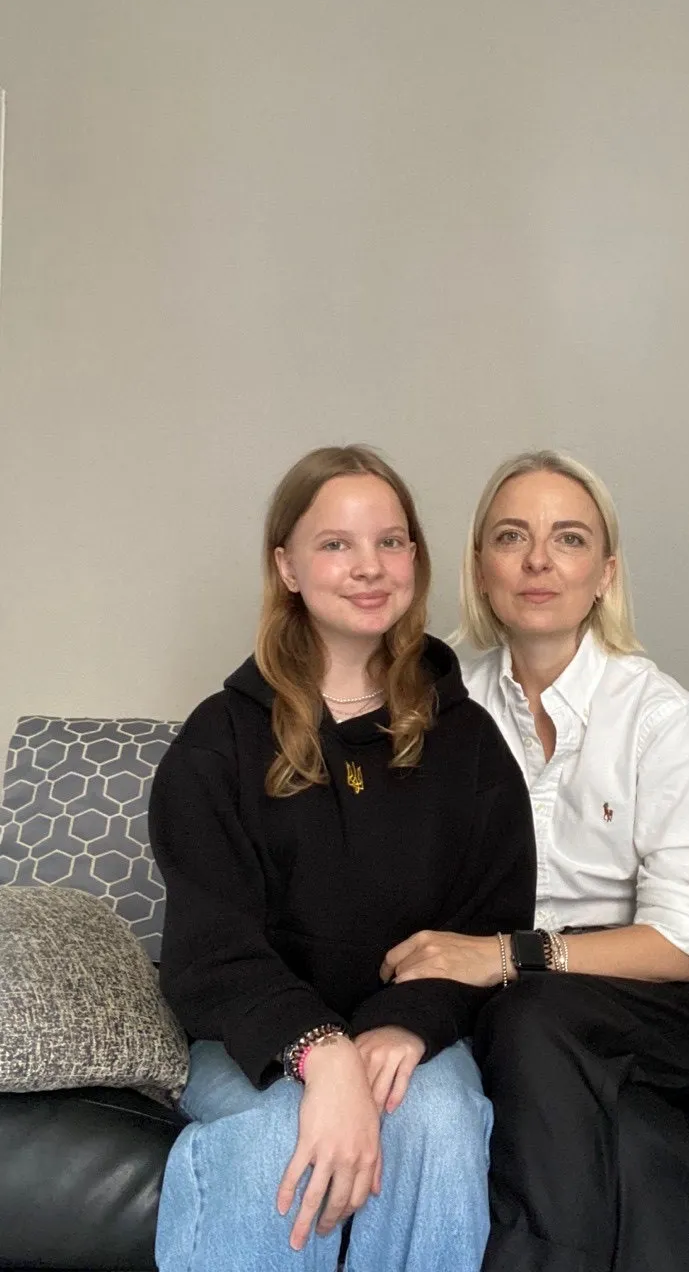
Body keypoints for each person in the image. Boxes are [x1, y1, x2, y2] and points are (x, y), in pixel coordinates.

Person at [149, 445, 536, 1272]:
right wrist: (319, 1052)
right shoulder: (219, 740)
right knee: (282, 1140)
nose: (369, 568)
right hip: (257, 1041)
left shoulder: (464, 737)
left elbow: (489, 922)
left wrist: (409, 1022)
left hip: (413, 1035)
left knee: (435, 1121)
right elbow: (209, 951)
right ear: (286, 565)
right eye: (337, 545)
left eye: (391, 542)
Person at [379, 450, 689, 1272]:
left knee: (530, 1014)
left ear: (605, 573)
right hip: (511, 1007)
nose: (539, 560)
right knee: (635, 1141)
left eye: (569, 539)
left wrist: (508, 956)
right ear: (481, 567)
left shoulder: (659, 717)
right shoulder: (438, 701)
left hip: (657, 1000)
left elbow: (681, 945)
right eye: (512, 537)